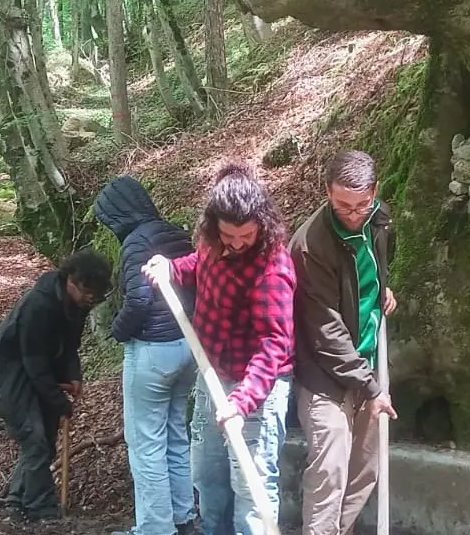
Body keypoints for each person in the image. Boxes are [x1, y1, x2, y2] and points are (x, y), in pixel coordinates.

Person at [144, 162, 296, 535]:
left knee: (251, 487)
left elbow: (275, 344)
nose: (239, 243)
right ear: (214, 226)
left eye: (247, 234)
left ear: (262, 221)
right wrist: (172, 269)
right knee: (208, 478)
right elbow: (201, 265)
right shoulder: (214, 242)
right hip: (212, 375)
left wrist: (242, 402)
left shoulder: (271, 269)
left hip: (257, 388)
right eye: (230, 235)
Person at [289, 151, 399, 535]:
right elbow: (325, 330)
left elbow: (375, 266)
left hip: (367, 360)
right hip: (325, 375)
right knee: (330, 472)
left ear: (374, 192)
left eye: (360, 205)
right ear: (327, 193)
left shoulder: (379, 219)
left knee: (365, 470)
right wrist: (371, 389)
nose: (352, 214)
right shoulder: (310, 245)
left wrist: (384, 288)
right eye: (342, 206)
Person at [0, 250, 114, 522]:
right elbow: (34, 361)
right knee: (34, 438)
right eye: (85, 290)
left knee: (43, 441)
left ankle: (16, 501)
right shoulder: (38, 305)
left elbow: (70, 346)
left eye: (95, 292)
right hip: (6, 375)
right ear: (70, 279)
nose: (90, 297)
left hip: (36, 373)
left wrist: (74, 376)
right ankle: (41, 508)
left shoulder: (77, 306)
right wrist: (59, 402)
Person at [93, 175, 200, 535]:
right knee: (175, 433)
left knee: (145, 442)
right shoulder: (175, 232)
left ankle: (155, 527)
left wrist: (119, 331)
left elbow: (138, 299)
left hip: (152, 352)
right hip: (187, 345)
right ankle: (183, 516)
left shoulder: (136, 244)